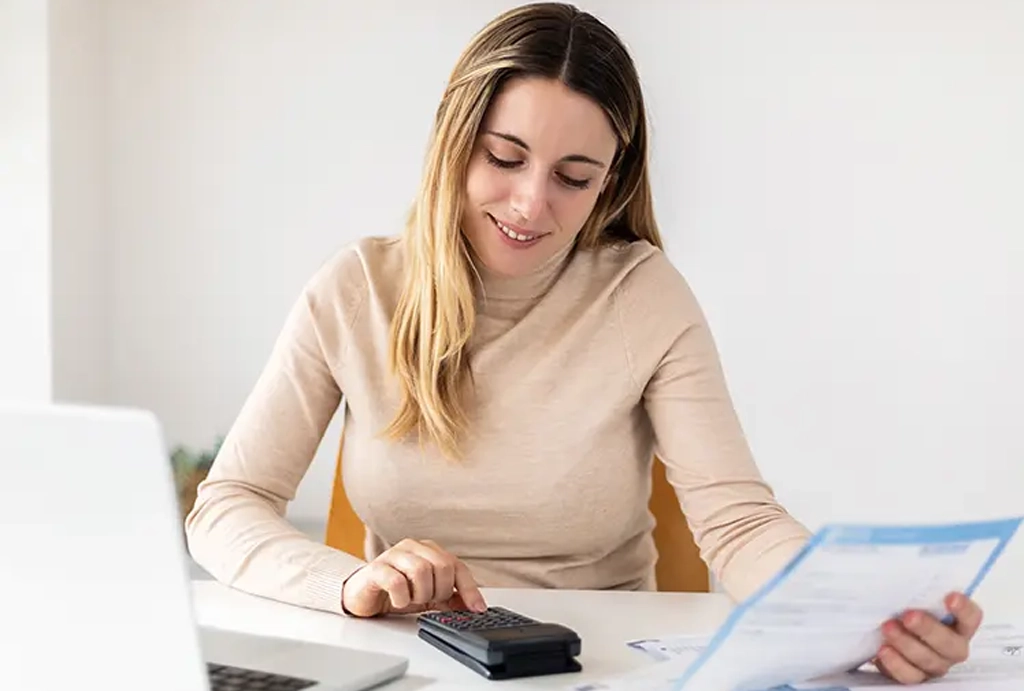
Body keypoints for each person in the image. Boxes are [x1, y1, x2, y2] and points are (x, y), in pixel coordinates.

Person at [185, 2, 983, 685]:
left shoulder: (641, 294)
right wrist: (356, 580)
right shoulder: (355, 288)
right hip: (417, 661)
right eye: (504, 157)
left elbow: (738, 525)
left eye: (574, 176)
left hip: (598, 667)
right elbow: (225, 507)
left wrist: (872, 618)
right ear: (453, 140)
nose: (531, 204)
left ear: (612, 179)